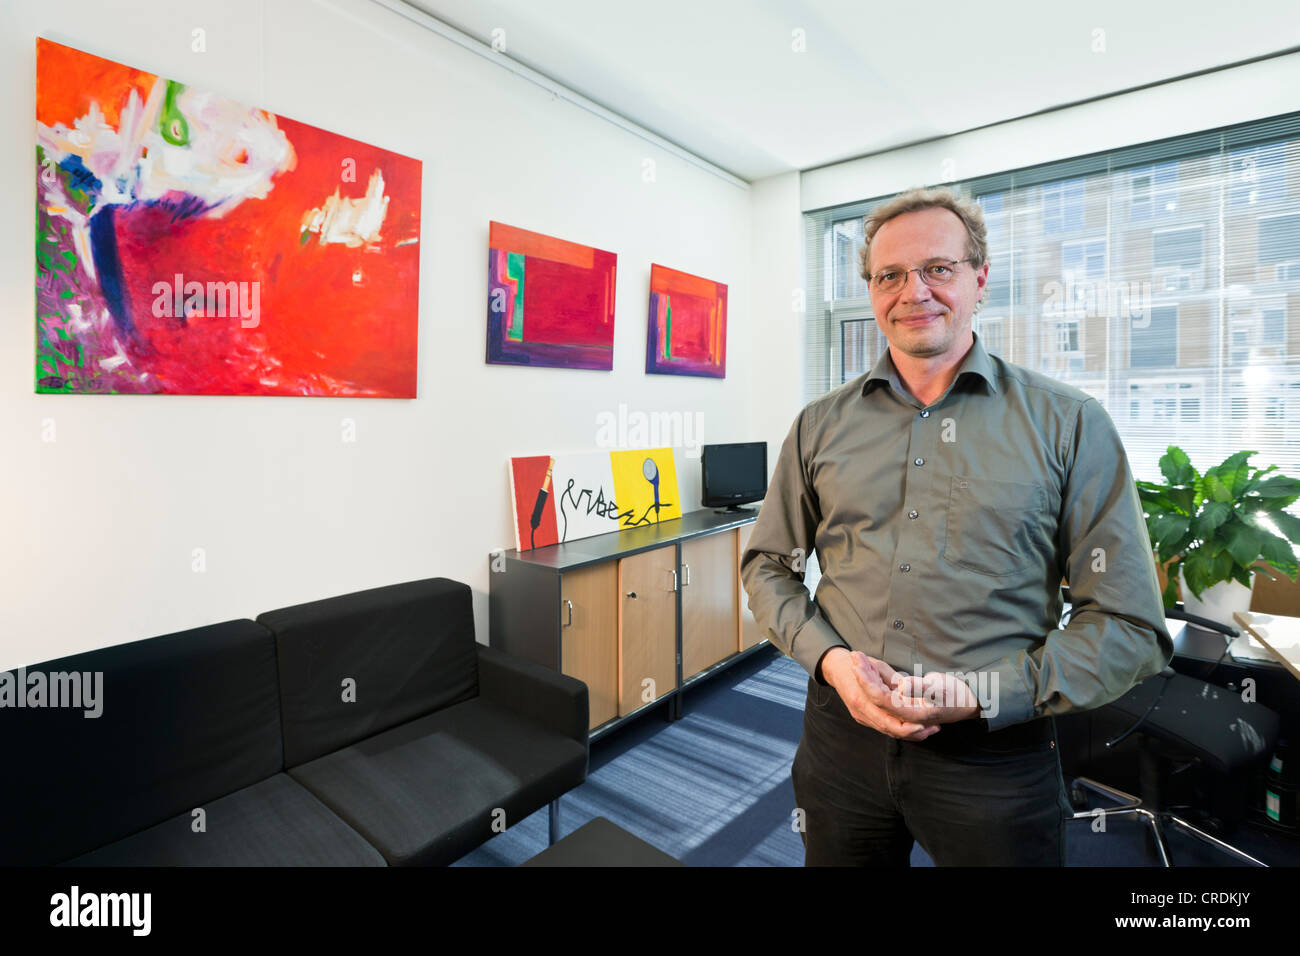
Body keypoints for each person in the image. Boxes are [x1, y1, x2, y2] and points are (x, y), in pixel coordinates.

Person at [740, 185, 1172, 866]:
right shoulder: (819, 426)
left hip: (995, 761)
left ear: (979, 279)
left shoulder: (1068, 424)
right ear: (873, 291)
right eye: (890, 275)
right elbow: (768, 567)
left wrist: (982, 694)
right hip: (838, 740)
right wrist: (831, 662)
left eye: (937, 268)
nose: (914, 291)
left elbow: (1130, 627)